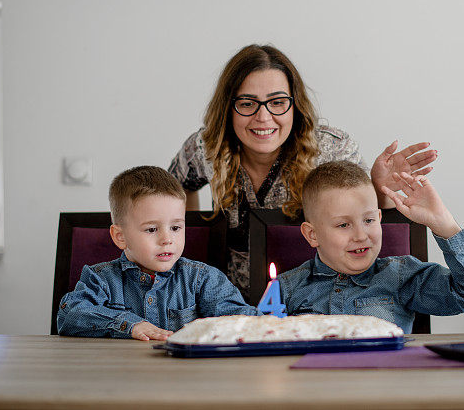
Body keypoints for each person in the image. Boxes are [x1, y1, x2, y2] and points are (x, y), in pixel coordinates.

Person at [168, 44, 436, 292]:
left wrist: (381, 189)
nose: (263, 117)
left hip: (318, 299)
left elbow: (368, 221)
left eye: (277, 102)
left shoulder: (333, 149)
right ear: (228, 108)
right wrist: (192, 244)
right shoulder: (206, 147)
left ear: (294, 104)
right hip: (232, 302)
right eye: (247, 104)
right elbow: (175, 190)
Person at [275, 161, 464, 334]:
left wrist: (444, 223)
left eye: (369, 221)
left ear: (379, 218)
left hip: (387, 388)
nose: (361, 236)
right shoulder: (287, 289)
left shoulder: (401, 277)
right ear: (312, 235)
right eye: (343, 225)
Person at [57, 166, 256, 340]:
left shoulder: (202, 279)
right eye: (152, 229)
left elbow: (239, 319)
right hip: (120, 375)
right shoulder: (100, 280)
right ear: (120, 236)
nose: (167, 239)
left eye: (176, 228)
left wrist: (269, 322)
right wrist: (129, 324)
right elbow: (70, 315)